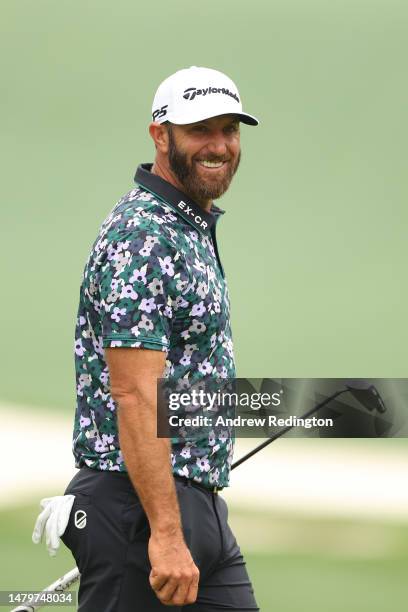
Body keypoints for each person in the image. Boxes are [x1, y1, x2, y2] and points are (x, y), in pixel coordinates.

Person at [62, 65, 260, 611]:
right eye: (201, 129)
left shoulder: (185, 226)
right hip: (139, 513)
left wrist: (323, 407)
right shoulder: (144, 235)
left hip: (193, 508)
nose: (219, 145)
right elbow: (135, 393)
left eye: (230, 129)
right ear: (160, 135)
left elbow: (185, 382)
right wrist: (167, 534)